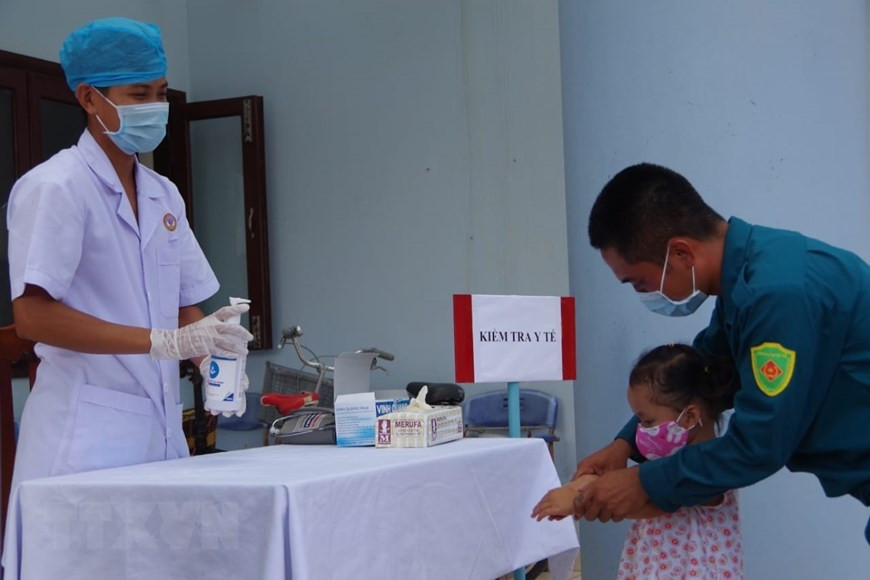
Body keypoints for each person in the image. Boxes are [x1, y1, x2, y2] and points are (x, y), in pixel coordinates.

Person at [4, 17, 252, 497]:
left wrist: (208, 356)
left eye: (161, 93)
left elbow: (184, 305)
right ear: (88, 98)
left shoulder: (163, 195)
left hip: (158, 433)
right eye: (138, 95)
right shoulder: (56, 186)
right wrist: (164, 343)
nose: (156, 107)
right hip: (83, 440)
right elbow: (32, 316)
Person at [572, 162, 870, 546]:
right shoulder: (749, 278)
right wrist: (625, 445)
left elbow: (759, 445)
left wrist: (643, 482)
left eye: (640, 283)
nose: (643, 294)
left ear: (680, 252)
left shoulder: (777, 294)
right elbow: (704, 374)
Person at [533, 344, 743, 579]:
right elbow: (633, 486)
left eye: (648, 421)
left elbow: (644, 501)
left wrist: (579, 497)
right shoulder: (666, 463)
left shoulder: (708, 470)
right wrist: (578, 487)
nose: (640, 431)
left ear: (690, 416)